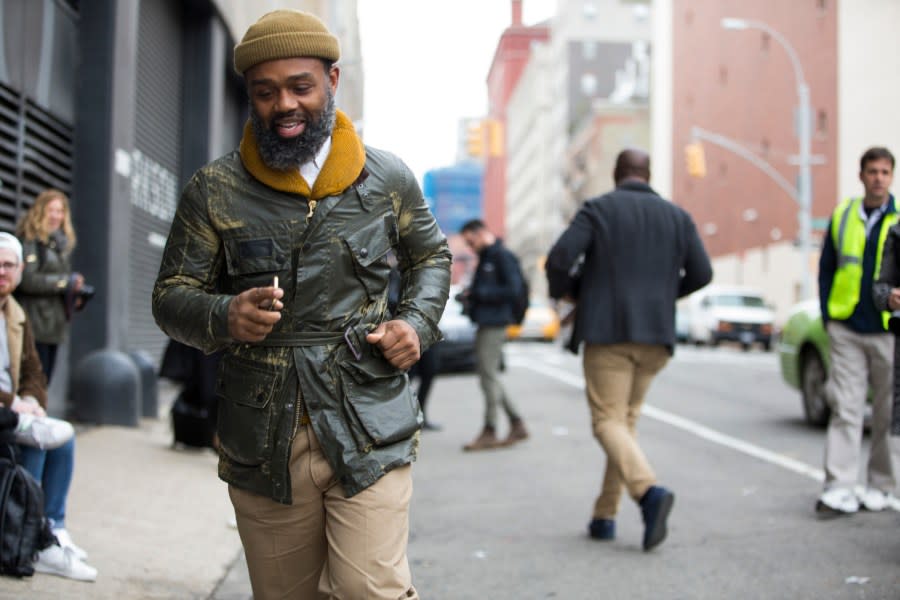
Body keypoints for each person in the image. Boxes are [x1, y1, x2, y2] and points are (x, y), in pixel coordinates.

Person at [151, 9, 451, 599]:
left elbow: (431, 259)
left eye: (300, 87)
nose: (284, 104)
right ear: (250, 97)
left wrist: (414, 323)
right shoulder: (215, 188)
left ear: (332, 82)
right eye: (266, 93)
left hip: (367, 418)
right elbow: (169, 296)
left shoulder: (387, 179)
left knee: (372, 590)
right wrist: (224, 315)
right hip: (264, 432)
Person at [545, 149, 712, 551]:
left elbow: (559, 258)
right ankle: (604, 515)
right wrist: (664, 295)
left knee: (607, 422)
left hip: (608, 332)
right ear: (648, 174)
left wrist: (569, 292)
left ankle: (648, 491)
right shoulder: (677, 216)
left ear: (617, 174)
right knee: (625, 424)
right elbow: (703, 272)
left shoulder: (599, 209)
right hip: (656, 336)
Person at [0, 232, 96, 581]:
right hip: (3, 413)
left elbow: (34, 371)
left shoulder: (16, 313)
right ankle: (32, 536)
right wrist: (14, 403)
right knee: (40, 438)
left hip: (13, 411)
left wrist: (31, 401)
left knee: (61, 436)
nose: (2, 272)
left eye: (9, 265)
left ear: (19, 272)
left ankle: (52, 527)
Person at [819, 146, 899, 516]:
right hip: (847, 327)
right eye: (872, 171)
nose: (878, 178)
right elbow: (827, 269)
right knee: (846, 407)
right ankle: (839, 486)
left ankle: (882, 485)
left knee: (886, 413)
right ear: (861, 174)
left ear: (892, 176)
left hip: (888, 332)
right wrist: (828, 319)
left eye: (885, 172)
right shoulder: (844, 215)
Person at [457, 219, 529, 451]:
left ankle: (490, 429)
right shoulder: (488, 257)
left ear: (481, 233)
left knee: (488, 376)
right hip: (486, 322)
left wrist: (479, 293)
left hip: (495, 323)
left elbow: (513, 289)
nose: (470, 246)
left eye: (471, 241)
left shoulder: (501, 256)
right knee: (490, 376)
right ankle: (517, 424)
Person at [14, 189, 86, 381]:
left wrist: (74, 291)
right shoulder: (30, 241)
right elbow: (28, 280)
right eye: (51, 210)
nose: (56, 216)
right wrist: (64, 283)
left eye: (60, 211)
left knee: (44, 382)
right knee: (31, 383)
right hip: (34, 325)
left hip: (53, 326)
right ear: (40, 211)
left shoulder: (58, 244)